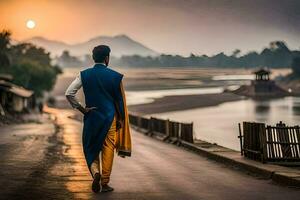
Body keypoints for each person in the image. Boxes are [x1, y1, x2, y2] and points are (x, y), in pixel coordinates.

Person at [65, 45, 132, 193]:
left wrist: (82, 109)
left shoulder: (84, 74)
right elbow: (119, 100)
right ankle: (105, 182)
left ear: (93, 58)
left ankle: (96, 172)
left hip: (92, 117)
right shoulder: (115, 76)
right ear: (107, 58)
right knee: (108, 148)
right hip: (110, 118)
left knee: (91, 147)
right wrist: (120, 118)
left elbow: (69, 93)